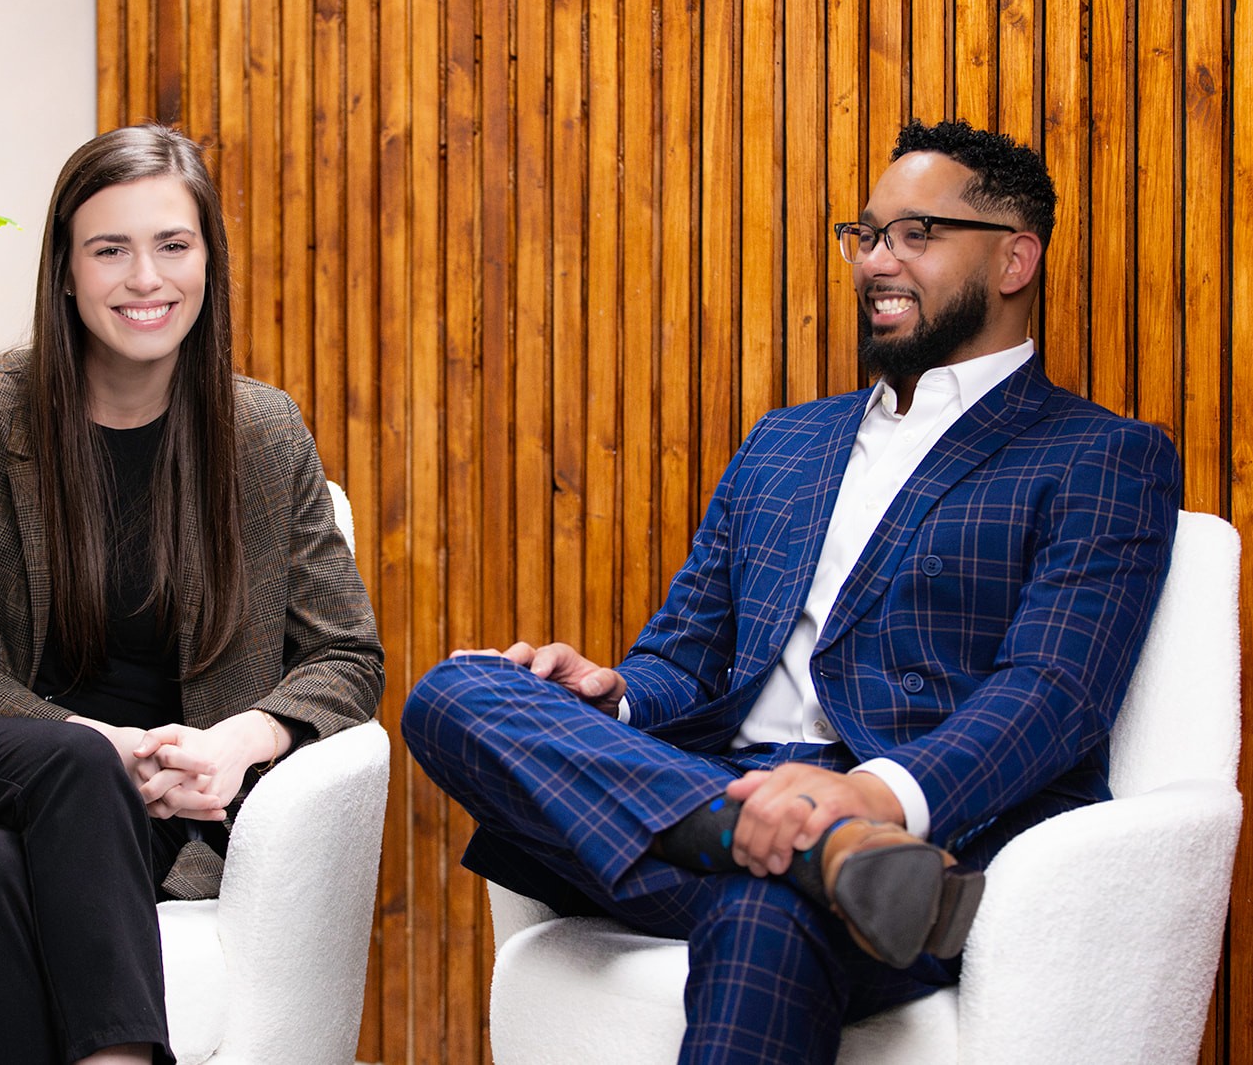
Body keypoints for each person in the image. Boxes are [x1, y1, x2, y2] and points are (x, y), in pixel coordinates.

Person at [401, 118, 1181, 1063]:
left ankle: (812, 851)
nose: (877, 261)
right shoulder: (787, 442)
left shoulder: (1100, 456)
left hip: (914, 827)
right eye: (866, 235)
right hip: (725, 791)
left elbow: (1053, 694)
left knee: (766, 901)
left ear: (1016, 259)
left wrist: (866, 798)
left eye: (916, 234)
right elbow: (683, 658)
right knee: (455, 689)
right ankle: (807, 852)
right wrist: (619, 693)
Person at [0, 125, 385, 1065]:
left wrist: (237, 742)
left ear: (208, 262)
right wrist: (86, 741)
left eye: (173, 245)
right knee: (71, 768)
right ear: (65, 272)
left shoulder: (263, 435)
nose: (146, 277)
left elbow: (346, 654)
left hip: (141, 811)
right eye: (110, 249)